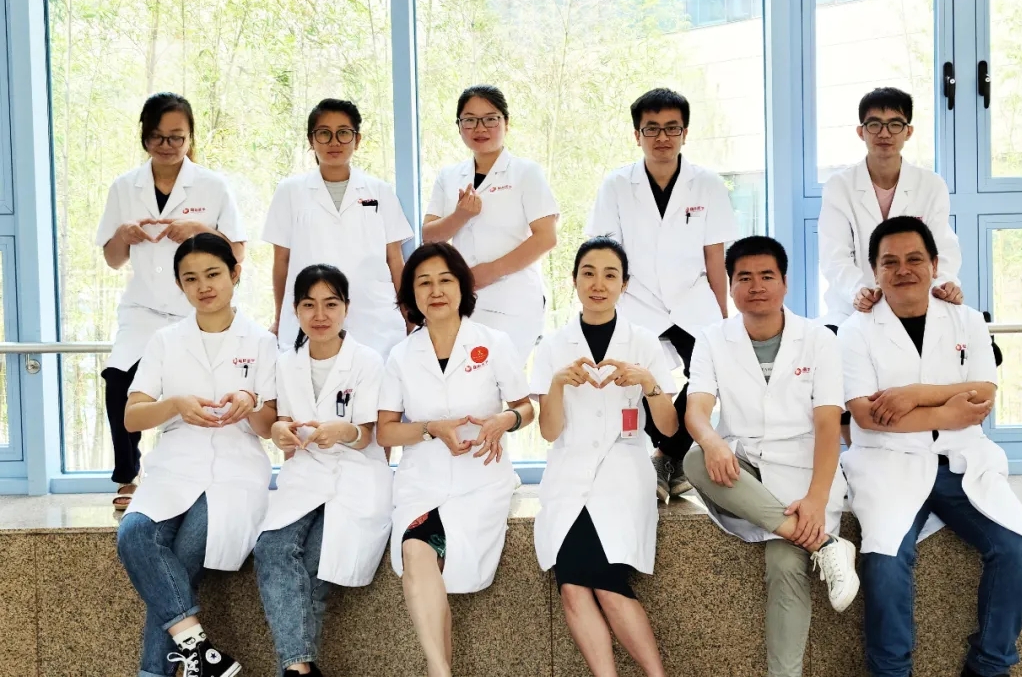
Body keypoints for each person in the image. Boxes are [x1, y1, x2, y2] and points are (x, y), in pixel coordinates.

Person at [838, 216, 1022, 677]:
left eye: (914, 259)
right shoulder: (855, 330)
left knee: (1020, 550)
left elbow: (983, 394)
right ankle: (891, 671)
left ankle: (988, 665)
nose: (903, 270)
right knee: (884, 562)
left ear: (934, 264)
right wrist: (947, 410)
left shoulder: (967, 320)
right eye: (889, 262)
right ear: (875, 271)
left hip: (961, 459)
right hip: (888, 463)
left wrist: (912, 395)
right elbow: (866, 415)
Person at [681, 236, 860, 677]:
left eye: (766, 276)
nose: (756, 286)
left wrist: (816, 499)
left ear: (784, 282)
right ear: (730, 287)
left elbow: (828, 426)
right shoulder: (712, 339)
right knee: (694, 460)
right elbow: (697, 410)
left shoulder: (819, 340)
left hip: (805, 471)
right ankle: (824, 545)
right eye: (744, 277)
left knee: (784, 562)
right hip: (744, 468)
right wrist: (713, 441)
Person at [116, 233, 277, 677]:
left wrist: (251, 401)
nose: (203, 286)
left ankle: (164, 668)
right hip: (174, 466)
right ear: (179, 285)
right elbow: (132, 417)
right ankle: (200, 652)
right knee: (134, 533)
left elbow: (269, 427)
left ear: (235, 274)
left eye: (213, 274)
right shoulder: (165, 341)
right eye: (190, 278)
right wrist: (174, 405)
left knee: (183, 555)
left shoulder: (261, 342)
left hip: (236, 469)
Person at [376, 242, 535, 677]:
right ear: (411, 295)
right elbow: (386, 431)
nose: (436, 290)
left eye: (445, 279)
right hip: (422, 483)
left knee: (430, 561)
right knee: (415, 547)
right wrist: (431, 428)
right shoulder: (401, 356)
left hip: (480, 480)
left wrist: (504, 420)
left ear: (462, 287)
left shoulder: (493, 343)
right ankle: (440, 671)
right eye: (424, 282)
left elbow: (526, 408)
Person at [532, 237, 677, 677]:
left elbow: (669, 428)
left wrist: (649, 383)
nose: (598, 284)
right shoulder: (552, 347)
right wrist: (556, 385)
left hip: (623, 475)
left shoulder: (644, 343)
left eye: (610, 275)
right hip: (569, 475)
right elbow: (549, 432)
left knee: (604, 583)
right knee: (573, 587)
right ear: (574, 280)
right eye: (588, 273)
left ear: (624, 284)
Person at [96, 92, 246, 510]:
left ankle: (199, 476)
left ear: (190, 137)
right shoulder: (125, 187)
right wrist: (123, 236)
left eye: (177, 137)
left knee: (200, 391)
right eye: (158, 137)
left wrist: (200, 230)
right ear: (144, 137)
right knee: (119, 382)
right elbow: (112, 259)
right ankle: (127, 475)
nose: (167, 146)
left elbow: (238, 253)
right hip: (143, 309)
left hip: (195, 309)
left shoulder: (212, 186)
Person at [586, 87, 738, 502]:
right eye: (651, 128)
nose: (662, 137)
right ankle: (664, 457)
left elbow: (715, 255)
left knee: (714, 371)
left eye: (672, 128)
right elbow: (605, 250)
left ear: (685, 133)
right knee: (632, 377)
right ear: (637, 135)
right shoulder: (617, 185)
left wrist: (722, 314)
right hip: (637, 298)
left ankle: (665, 455)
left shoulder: (706, 184)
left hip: (692, 297)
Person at [254, 264, 391, 677]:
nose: (320, 315)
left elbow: (369, 435)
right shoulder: (286, 364)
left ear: (346, 308)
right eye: (309, 305)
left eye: (331, 304)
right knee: (271, 547)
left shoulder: (367, 361)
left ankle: (295, 669)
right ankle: (301, 669)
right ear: (295, 310)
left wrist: (342, 431)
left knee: (313, 567)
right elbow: (281, 422)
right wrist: (278, 430)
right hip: (305, 473)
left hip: (355, 474)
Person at [264, 98, 413, 360]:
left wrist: (408, 314)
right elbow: (281, 261)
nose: (334, 142)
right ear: (311, 140)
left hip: (374, 318)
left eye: (344, 133)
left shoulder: (380, 191)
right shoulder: (289, 191)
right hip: (312, 316)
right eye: (324, 133)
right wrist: (279, 318)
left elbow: (395, 259)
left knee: (377, 380)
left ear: (357, 139)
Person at [421, 84, 559, 365]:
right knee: (462, 377)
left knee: (499, 376)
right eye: (469, 120)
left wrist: (490, 271)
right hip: (462, 300)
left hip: (513, 299)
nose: (480, 128)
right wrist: (460, 216)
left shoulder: (526, 173)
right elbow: (429, 237)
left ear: (506, 123)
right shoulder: (449, 176)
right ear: (459, 126)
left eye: (490, 119)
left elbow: (546, 237)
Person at [819, 86, 962, 329]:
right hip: (854, 310)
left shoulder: (931, 185)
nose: (884, 133)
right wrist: (860, 291)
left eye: (895, 124)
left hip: (915, 304)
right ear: (861, 132)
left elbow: (943, 248)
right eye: (874, 124)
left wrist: (944, 284)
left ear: (908, 131)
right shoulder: (839, 187)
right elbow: (834, 256)